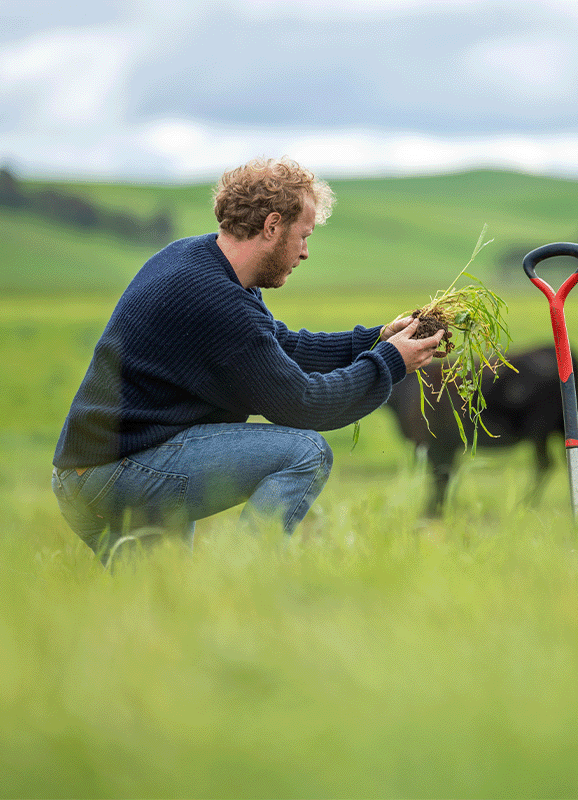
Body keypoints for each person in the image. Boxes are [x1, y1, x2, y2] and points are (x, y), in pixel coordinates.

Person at [51, 156, 443, 563]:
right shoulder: (217, 300)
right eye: (303, 236)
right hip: (116, 474)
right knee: (305, 452)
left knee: (163, 604)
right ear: (272, 226)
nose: (306, 252)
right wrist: (391, 362)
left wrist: (377, 339)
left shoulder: (200, 260)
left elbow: (278, 348)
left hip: (94, 471)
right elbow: (305, 405)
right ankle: (241, 576)